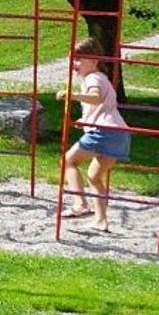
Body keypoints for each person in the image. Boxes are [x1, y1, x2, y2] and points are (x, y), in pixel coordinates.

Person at [62, 41, 131, 232]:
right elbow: (102, 107)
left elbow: (96, 98)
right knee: (94, 177)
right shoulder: (101, 78)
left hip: (104, 132)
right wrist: (85, 120)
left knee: (69, 161)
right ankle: (101, 221)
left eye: (78, 59)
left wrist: (73, 96)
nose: (74, 63)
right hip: (119, 133)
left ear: (94, 60)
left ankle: (80, 204)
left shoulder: (92, 78)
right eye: (72, 59)